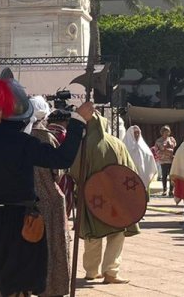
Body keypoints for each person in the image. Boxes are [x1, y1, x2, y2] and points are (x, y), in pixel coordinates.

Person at [0, 78, 92, 297]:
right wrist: (79, 120)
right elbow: (61, 159)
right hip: (20, 221)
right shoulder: (24, 142)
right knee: (18, 286)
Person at [70, 114, 140, 285]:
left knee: (92, 233)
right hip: (116, 196)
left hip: (91, 196)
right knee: (116, 233)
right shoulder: (117, 143)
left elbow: (74, 171)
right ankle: (111, 271)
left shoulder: (83, 145)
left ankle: (91, 271)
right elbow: (130, 170)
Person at [30, 100, 73, 297]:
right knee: (53, 247)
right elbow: (58, 171)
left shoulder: (21, 137)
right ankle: (52, 287)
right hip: (49, 198)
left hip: (27, 198)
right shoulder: (45, 138)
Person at [123, 125, 158, 190]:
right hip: (129, 173)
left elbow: (149, 156)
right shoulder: (125, 145)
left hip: (141, 174)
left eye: (138, 132)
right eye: (135, 132)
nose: (136, 134)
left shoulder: (143, 146)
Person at [155, 126, 177, 197]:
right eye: (165, 131)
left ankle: (171, 190)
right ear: (162, 132)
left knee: (171, 176)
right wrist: (163, 150)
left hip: (171, 160)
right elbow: (156, 150)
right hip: (163, 161)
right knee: (164, 176)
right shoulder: (158, 141)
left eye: (168, 131)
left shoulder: (172, 139)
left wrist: (167, 149)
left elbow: (173, 148)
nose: (167, 133)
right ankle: (164, 190)